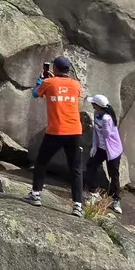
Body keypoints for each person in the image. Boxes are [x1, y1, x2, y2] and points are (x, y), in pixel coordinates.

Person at [26, 55, 84, 216]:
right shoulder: (76, 84)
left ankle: (36, 195)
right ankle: (78, 205)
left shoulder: (48, 83)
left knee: (41, 162)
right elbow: (66, 93)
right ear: (68, 70)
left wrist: (41, 80)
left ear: (55, 69)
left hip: (56, 131)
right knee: (76, 168)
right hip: (74, 131)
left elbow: (35, 94)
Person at [85, 94, 124, 215]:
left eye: (93, 103)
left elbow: (107, 136)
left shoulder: (108, 119)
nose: (92, 105)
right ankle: (94, 192)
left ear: (98, 105)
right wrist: (94, 146)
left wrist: (105, 123)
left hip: (112, 150)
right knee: (91, 165)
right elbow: (96, 133)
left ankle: (116, 200)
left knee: (114, 174)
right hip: (101, 149)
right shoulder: (97, 115)